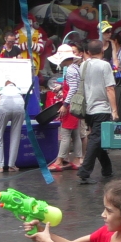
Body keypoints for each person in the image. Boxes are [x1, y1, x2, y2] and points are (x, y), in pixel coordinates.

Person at [77, 40, 117, 185]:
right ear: (102, 50)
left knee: (97, 138)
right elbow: (110, 89)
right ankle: (84, 171)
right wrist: (114, 110)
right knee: (95, 138)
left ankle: (107, 169)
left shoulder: (83, 65)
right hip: (101, 108)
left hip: (88, 108)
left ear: (88, 52)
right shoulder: (105, 65)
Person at [48, 44, 82, 172]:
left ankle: (59, 161)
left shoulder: (71, 70)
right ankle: (78, 159)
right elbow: (74, 85)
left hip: (71, 105)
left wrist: (65, 105)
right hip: (75, 104)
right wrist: (61, 87)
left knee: (66, 133)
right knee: (75, 133)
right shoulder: (74, 68)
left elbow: (73, 88)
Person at [0, 80, 25, 173]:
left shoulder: (1, 89)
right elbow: (22, 102)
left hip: (3, 107)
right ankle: (12, 166)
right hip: (19, 108)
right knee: (16, 135)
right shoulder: (18, 90)